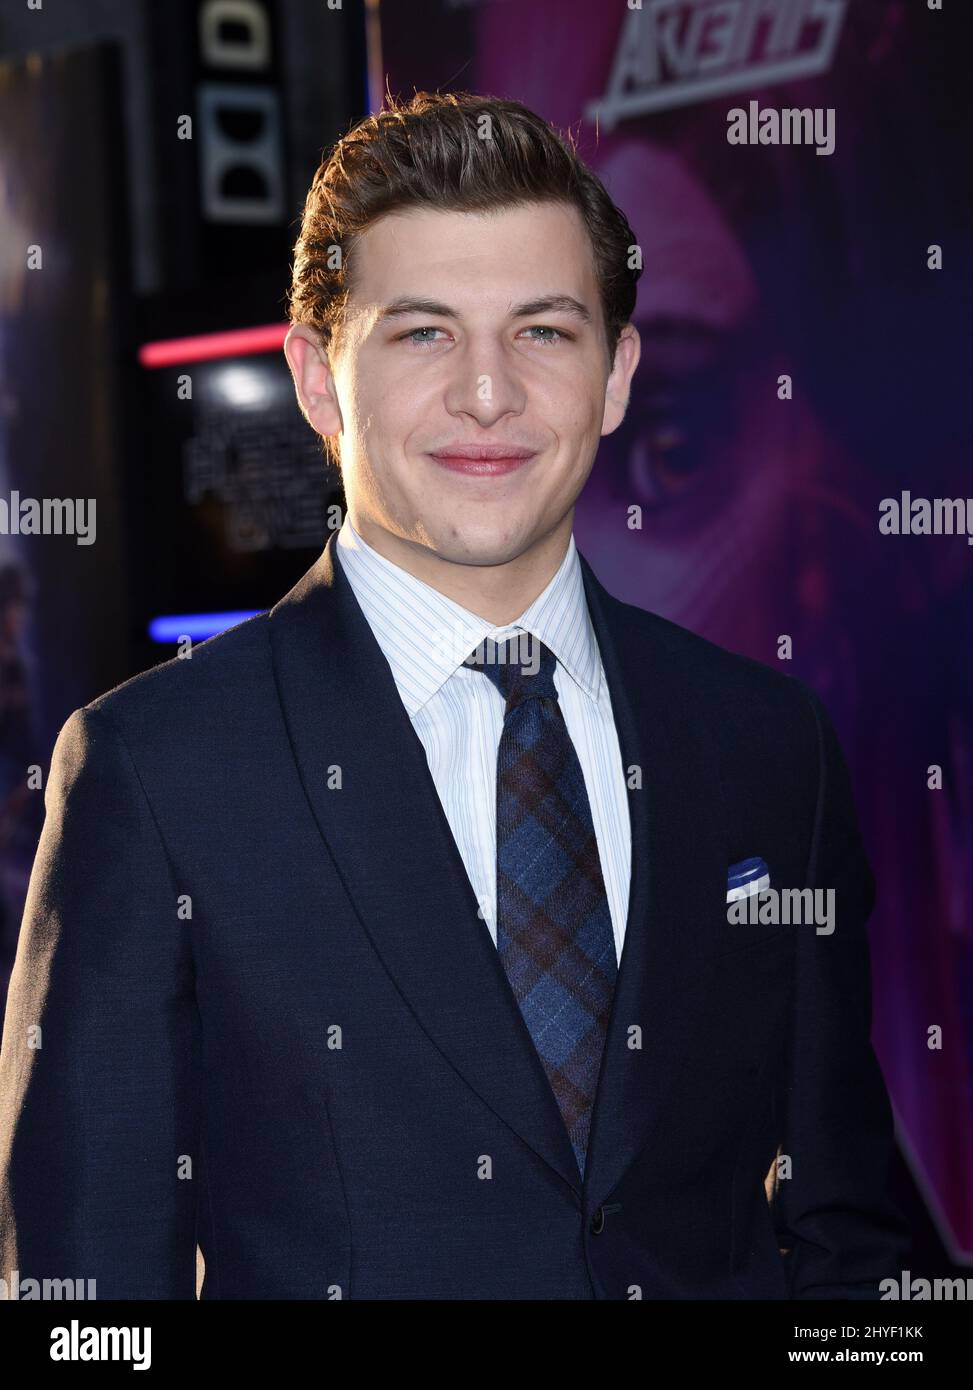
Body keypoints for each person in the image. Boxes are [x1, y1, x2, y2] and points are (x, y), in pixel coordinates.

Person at [0, 91, 909, 1300]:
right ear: (320, 383)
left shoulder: (763, 746)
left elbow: (849, 1235)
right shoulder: (157, 770)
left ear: (617, 373)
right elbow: (89, 1299)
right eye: (422, 333)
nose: (489, 393)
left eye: (543, 331)